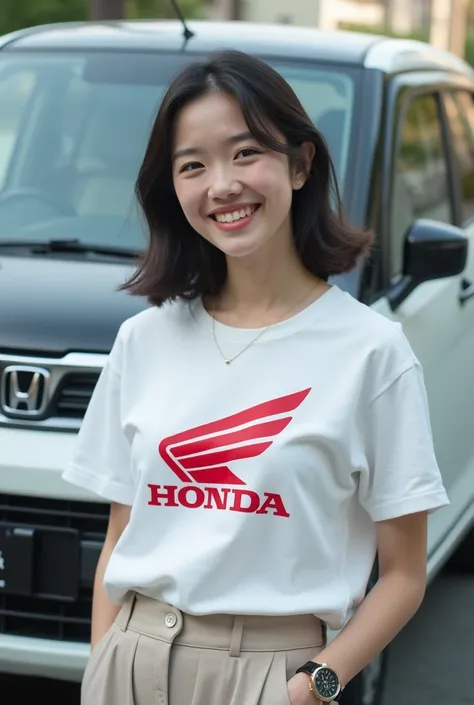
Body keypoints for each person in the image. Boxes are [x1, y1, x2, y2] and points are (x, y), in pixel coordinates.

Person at [62, 49, 449, 705]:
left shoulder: (370, 351)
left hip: (275, 672)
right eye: (193, 165)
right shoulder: (144, 339)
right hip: (130, 660)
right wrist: (103, 663)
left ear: (300, 164)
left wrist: (314, 685)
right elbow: (119, 538)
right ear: (173, 189)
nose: (222, 184)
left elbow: (405, 574)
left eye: (246, 153)